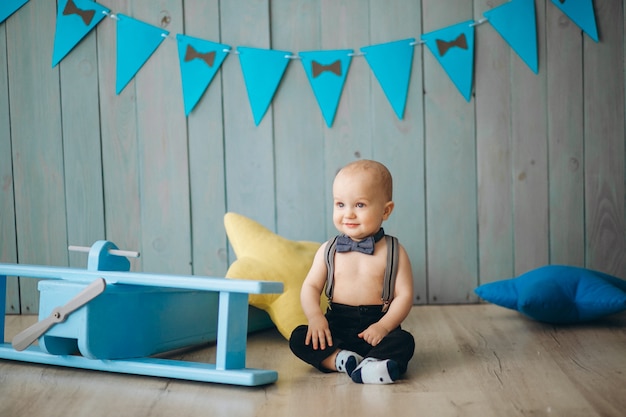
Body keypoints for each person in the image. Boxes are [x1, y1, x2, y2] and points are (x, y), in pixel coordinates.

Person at [289, 159, 415, 384]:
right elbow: (311, 286)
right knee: (299, 337)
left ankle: (371, 364)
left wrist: (384, 326)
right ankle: (339, 359)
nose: (348, 214)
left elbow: (404, 295)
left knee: (404, 341)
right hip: (335, 326)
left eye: (360, 205)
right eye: (340, 205)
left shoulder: (394, 251)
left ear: (386, 210)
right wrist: (315, 317)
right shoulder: (328, 250)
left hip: (376, 324)